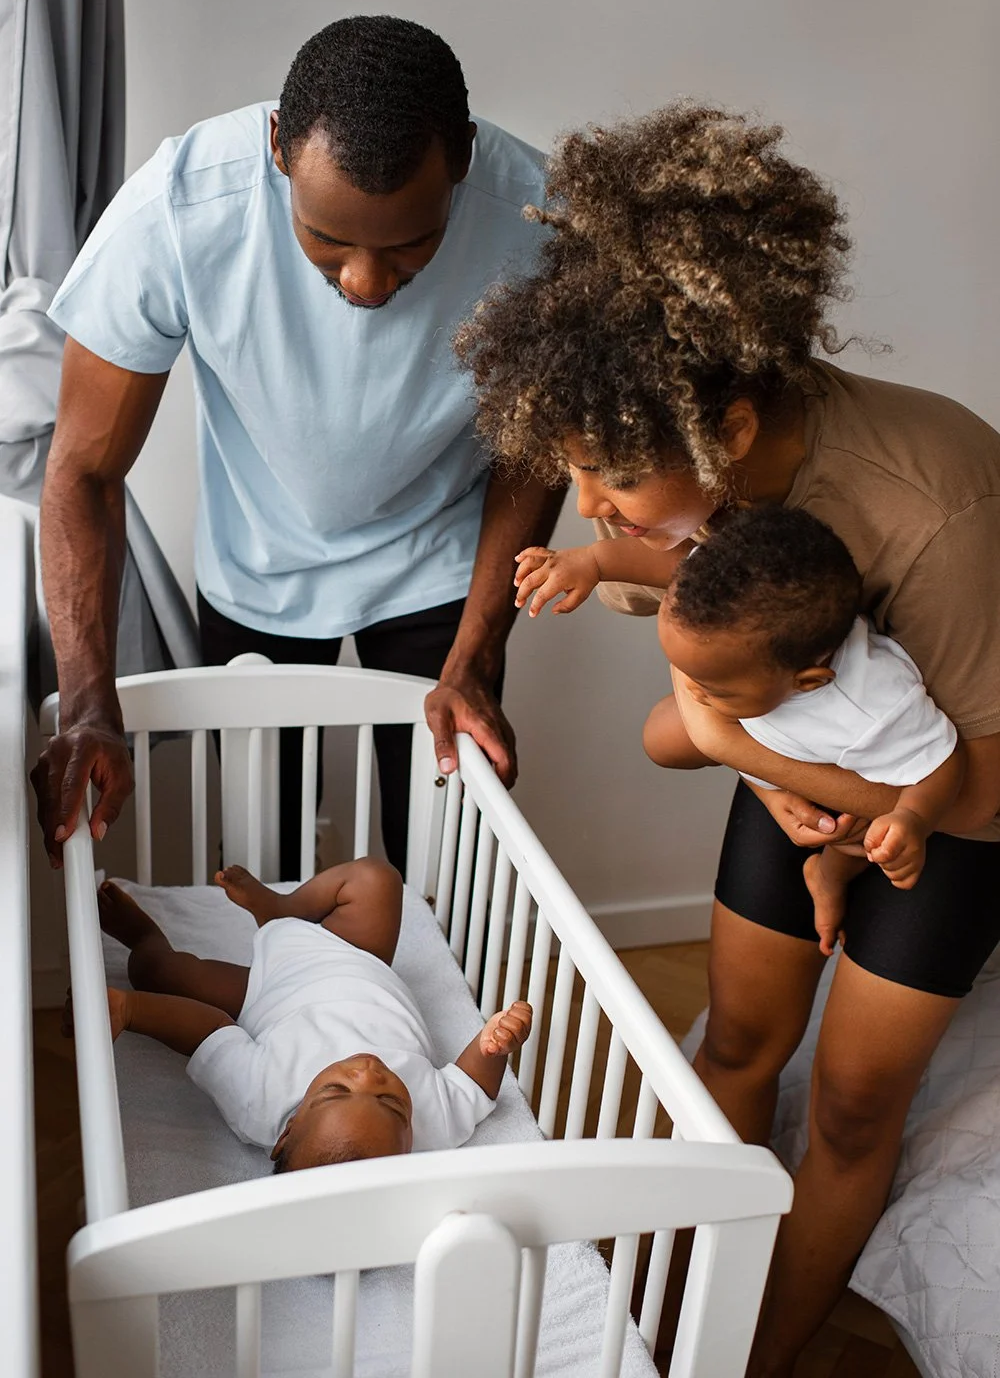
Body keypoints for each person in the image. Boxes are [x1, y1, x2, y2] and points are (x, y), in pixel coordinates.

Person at [454, 103, 1000, 1376]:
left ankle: (753, 1356)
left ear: (732, 434)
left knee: (857, 1104)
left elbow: (972, 770)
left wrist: (773, 772)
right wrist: (766, 771)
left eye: (609, 482)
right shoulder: (685, 505)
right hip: (797, 764)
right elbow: (705, 707)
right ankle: (666, 1302)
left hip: (952, 802)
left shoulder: (933, 505)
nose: (590, 508)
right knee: (741, 1040)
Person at [31, 15, 562, 880]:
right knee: (258, 849)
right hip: (260, 562)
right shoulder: (181, 206)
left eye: (408, 245)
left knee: (447, 853)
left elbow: (535, 449)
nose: (365, 281)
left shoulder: (539, 222)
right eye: (327, 239)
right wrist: (87, 704)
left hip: (441, 560)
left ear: (461, 160)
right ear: (278, 149)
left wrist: (482, 647)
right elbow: (85, 470)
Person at [516, 505, 965, 954]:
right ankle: (767, 780)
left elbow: (942, 763)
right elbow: (677, 562)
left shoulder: (875, 708)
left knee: (860, 840)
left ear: (807, 682)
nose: (693, 689)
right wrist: (592, 561)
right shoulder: (725, 593)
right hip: (772, 736)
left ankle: (827, 876)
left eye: (717, 688)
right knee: (659, 738)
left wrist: (912, 819)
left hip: (834, 769)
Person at [94, 858, 532, 1172]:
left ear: (287, 1131)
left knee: (157, 971)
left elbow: (209, 1029)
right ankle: (281, 910)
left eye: (335, 1091)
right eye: (391, 1103)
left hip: (264, 992)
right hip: (360, 958)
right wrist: (494, 1044)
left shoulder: (259, 1100)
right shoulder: (432, 1125)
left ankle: (143, 935)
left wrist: (133, 1010)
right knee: (377, 879)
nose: (367, 1074)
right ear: (410, 1145)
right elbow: (473, 1086)